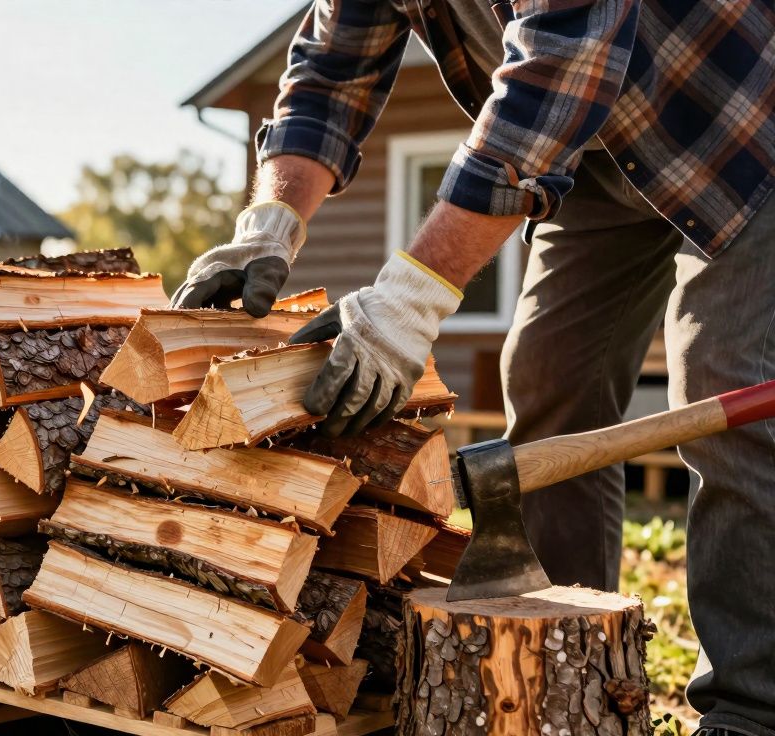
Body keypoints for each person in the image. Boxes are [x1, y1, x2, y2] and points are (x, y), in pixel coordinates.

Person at [172, 1, 775, 732]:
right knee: (549, 377)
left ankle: (752, 707)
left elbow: (559, 67)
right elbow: (327, 75)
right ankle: (564, 667)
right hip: (600, 163)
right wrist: (268, 223)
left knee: (721, 369)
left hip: (745, 126)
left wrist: (411, 299)